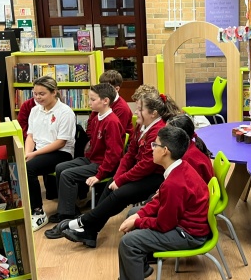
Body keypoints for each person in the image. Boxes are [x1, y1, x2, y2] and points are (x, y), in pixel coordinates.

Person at [112, 126, 211, 280]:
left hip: (189, 235)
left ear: (165, 151)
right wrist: (138, 215)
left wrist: (138, 222)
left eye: (154, 145)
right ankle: (139, 269)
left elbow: (164, 224)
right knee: (132, 213)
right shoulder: (179, 168)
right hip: (183, 226)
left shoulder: (175, 183)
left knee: (129, 243)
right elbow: (159, 200)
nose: (151, 148)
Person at [59, 89, 180, 248]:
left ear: (153, 113)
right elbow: (129, 154)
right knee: (110, 187)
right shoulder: (142, 126)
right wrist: (117, 177)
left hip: (155, 177)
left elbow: (147, 165)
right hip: (142, 173)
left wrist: (121, 180)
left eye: (140, 109)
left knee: (119, 194)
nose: (135, 112)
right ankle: (90, 231)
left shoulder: (158, 131)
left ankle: (85, 222)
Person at [44, 83, 124, 236]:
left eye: (93, 99)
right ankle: (70, 209)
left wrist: (100, 175)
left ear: (105, 101)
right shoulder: (97, 117)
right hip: (93, 160)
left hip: (105, 165)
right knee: (60, 167)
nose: (89, 102)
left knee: (68, 175)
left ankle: (66, 219)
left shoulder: (112, 122)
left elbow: (114, 155)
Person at [25, 76, 76, 232]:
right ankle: (26, 208)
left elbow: (61, 142)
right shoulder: (35, 110)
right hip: (40, 152)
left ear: (54, 92)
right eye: (35, 94)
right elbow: (30, 136)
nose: (38, 97)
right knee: (20, 165)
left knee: (28, 169)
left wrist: (34, 155)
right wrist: (27, 153)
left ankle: (38, 212)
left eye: (42, 94)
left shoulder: (65, 112)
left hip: (61, 152)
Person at [86, 70, 133, 141]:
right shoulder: (100, 102)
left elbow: (116, 134)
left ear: (117, 89)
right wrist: (90, 139)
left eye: (107, 87)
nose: (102, 90)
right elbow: (91, 123)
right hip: (98, 138)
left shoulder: (122, 108)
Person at [166, 114, 213, 184]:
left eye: (167, 133)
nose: (164, 135)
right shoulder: (191, 145)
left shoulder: (187, 158)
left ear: (178, 137)